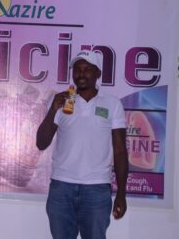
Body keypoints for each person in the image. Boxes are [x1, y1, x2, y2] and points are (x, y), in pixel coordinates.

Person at [36, 50, 128, 239]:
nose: (81, 73)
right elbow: (41, 143)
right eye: (77, 69)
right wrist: (53, 110)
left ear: (98, 74)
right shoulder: (61, 101)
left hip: (97, 188)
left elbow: (120, 151)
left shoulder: (112, 104)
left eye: (88, 69)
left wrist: (121, 193)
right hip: (62, 186)